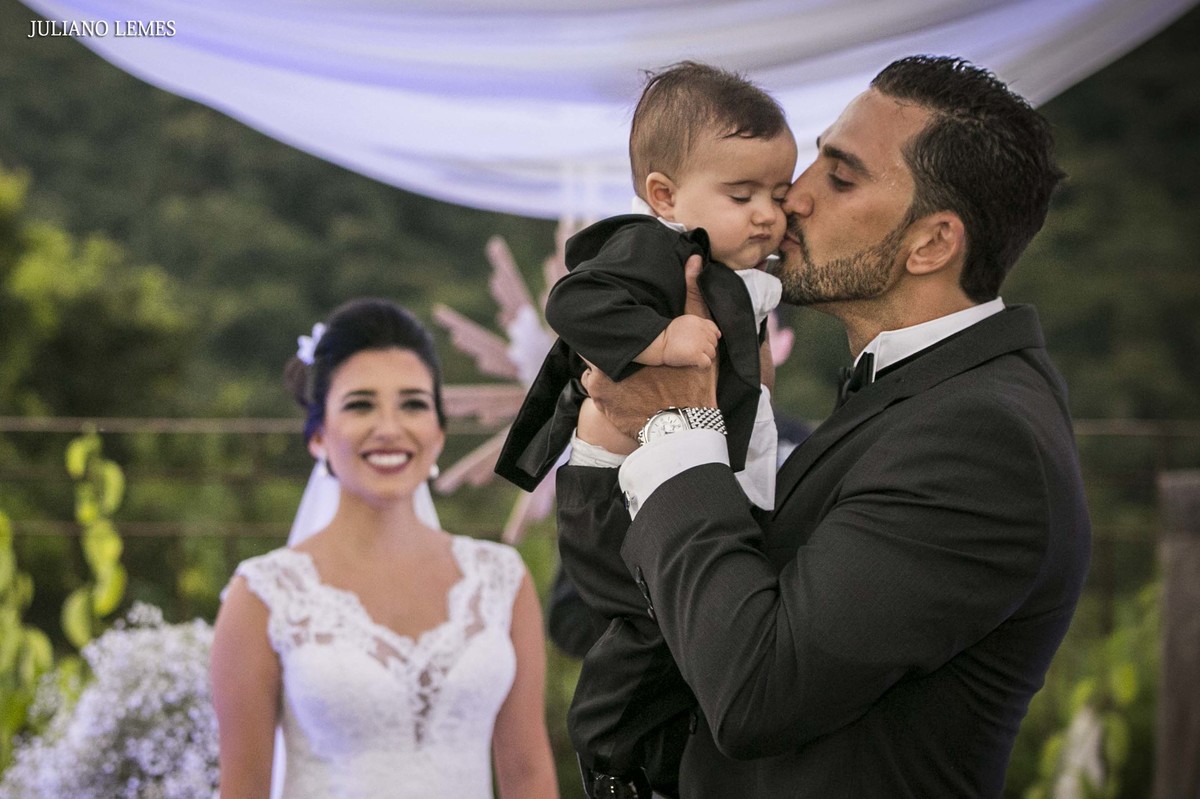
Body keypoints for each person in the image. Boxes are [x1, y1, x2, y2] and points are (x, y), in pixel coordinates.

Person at [561, 55, 1092, 797]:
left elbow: (757, 690)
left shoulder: (983, 439)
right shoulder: (911, 398)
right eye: (815, 160)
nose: (795, 197)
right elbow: (669, 615)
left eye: (840, 178)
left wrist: (681, 421)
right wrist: (606, 443)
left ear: (932, 243)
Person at [499, 62, 797, 797]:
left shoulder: (734, 267)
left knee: (688, 629)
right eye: (743, 196)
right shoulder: (652, 250)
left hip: (674, 481)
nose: (767, 214)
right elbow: (573, 303)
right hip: (615, 490)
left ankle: (665, 765)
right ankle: (607, 757)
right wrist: (661, 342)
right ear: (664, 195)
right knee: (650, 621)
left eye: (779, 194)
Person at [210, 298, 558, 799]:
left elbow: (528, 776)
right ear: (318, 436)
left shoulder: (500, 579)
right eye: (360, 405)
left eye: (413, 404)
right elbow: (243, 790)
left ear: (439, 432)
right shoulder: (262, 596)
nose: (390, 429)